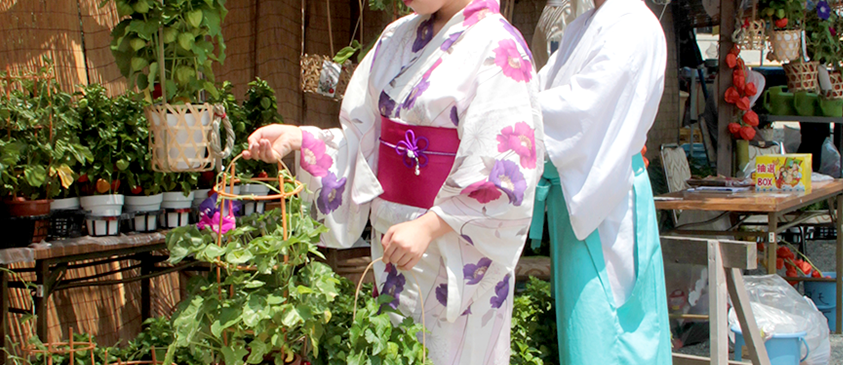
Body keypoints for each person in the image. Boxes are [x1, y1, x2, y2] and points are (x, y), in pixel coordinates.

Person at [240, 0, 543, 363]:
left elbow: (506, 171)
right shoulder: (396, 36)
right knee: (391, 347)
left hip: (455, 246)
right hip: (393, 238)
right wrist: (301, 139)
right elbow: (365, 140)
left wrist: (430, 226)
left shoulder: (498, 45)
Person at [529, 0, 672, 363]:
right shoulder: (585, 25)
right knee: (583, 333)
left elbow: (582, 107)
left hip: (606, 195)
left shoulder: (633, 25)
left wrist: (511, 106)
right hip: (579, 190)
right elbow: (543, 87)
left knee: (611, 335)